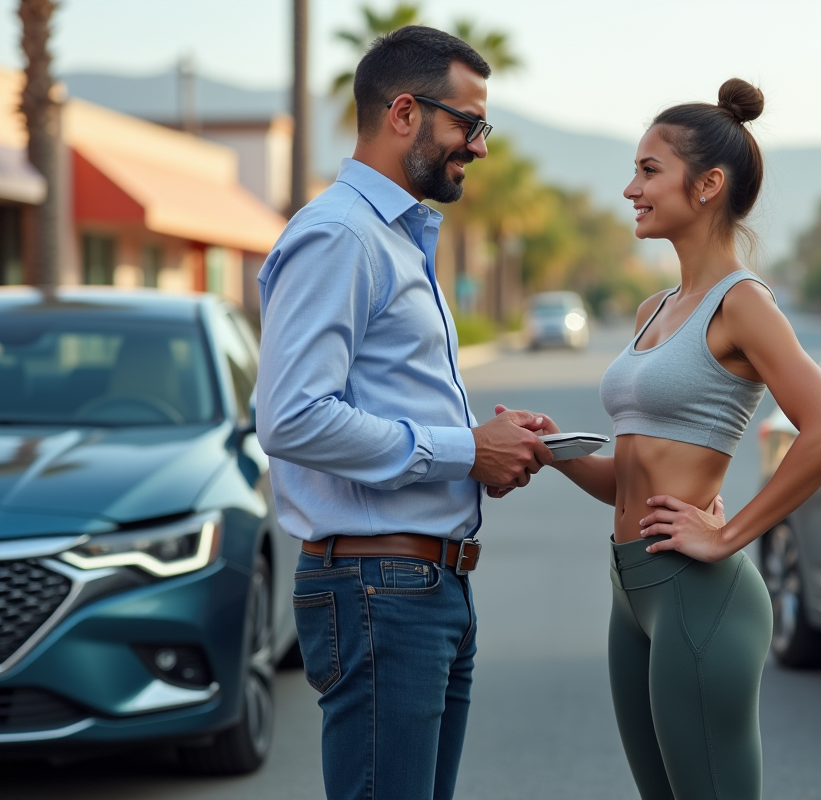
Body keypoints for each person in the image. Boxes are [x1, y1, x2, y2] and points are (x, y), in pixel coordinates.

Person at [255, 26, 554, 800]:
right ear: (402, 113)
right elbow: (290, 419)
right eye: (468, 123)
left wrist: (491, 445)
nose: (479, 147)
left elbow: (380, 396)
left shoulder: (392, 239)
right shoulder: (341, 237)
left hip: (421, 586)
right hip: (379, 589)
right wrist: (464, 451)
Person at [543, 79, 821, 800]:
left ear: (708, 185)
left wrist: (730, 534)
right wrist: (556, 453)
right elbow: (633, 478)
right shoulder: (655, 309)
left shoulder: (743, 304)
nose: (630, 189)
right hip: (632, 586)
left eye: (649, 171)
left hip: (696, 593)